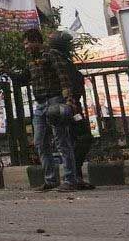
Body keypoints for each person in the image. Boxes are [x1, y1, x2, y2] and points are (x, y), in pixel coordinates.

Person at [22, 29, 83, 192]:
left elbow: (63, 77)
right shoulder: (31, 60)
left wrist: (68, 99)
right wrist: (6, 70)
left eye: (28, 43)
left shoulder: (51, 54)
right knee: (40, 142)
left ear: (36, 41)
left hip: (55, 101)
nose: (26, 47)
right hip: (40, 104)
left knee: (61, 141)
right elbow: (23, 78)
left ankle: (70, 180)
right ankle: (51, 180)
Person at [48, 30, 95, 188]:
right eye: (67, 43)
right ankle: (73, 175)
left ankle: (76, 176)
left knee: (78, 138)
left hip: (73, 105)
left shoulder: (64, 59)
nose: (70, 45)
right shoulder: (57, 59)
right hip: (69, 105)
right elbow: (65, 83)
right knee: (82, 137)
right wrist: (70, 101)